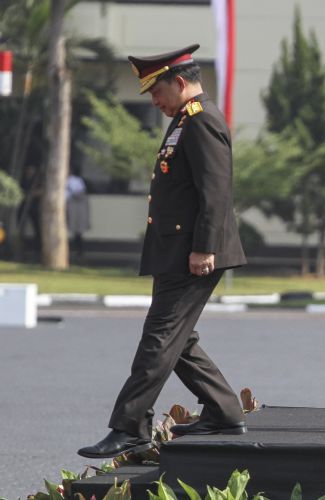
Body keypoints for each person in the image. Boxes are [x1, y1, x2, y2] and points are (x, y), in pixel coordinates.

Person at [78, 44, 248, 459]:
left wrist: (204, 247)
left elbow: (216, 191)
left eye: (157, 91)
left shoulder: (202, 119)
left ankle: (130, 425)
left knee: (158, 340)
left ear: (180, 82)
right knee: (178, 340)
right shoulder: (183, 121)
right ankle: (225, 411)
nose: (154, 100)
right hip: (177, 253)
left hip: (195, 254)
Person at [65, 170, 90, 257]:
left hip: (73, 208)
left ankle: (79, 251)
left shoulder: (76, 181)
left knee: (77, 231)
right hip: (62, 207)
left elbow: (81, 193)